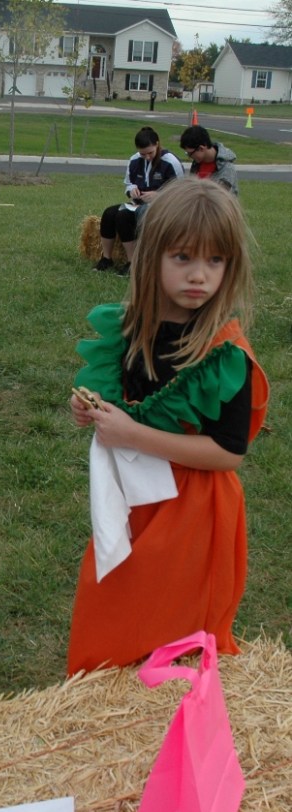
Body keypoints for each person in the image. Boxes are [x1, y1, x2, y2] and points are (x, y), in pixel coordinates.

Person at [68, 177, 269, 674]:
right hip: (134, 499)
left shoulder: (225, 355)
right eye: (183, 258)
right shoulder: (134, 327)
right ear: (150, 255)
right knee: (114, 602)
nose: (199, 275)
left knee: (175, 624)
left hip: (194, 510)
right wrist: (97, 413)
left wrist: (131, 434)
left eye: (215, 260)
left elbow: (229, 453)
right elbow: (131, 405)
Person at [94, 126, 184, 276]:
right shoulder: (134, 160)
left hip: (164, 206)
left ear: (157, 144)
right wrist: (132, 190)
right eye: (143, 154)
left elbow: (182, 190)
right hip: (138, 204)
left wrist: (158, 195)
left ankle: (133, 262)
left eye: (150, 153)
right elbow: (129, 183)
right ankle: (107, 258)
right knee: (109, 213)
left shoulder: (170, 161)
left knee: (123, 216)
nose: (147, 157)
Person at [179, 125, 239, 195]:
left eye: (190, 153)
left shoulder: (226, 168)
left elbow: (219, 198)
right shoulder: (197, 163)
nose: (189, 157)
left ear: (201, 148)